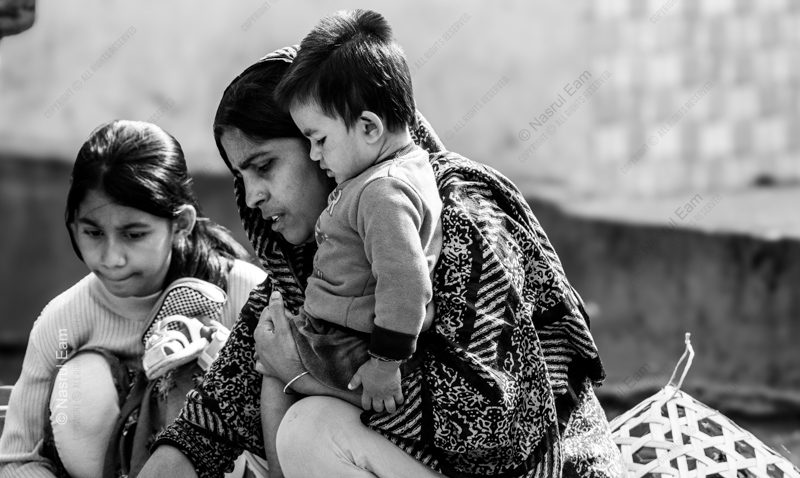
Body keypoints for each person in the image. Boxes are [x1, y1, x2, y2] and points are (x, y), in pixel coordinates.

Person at [143, 35, 623, 478]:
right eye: (241, 178)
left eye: (265, 166)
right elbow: (208, 422)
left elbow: (490, 423)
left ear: (332, 139)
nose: (252, 197)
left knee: (310, 430)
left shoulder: (460, 215)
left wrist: (305, 374)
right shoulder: (313, 272)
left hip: (552, 469)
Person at [0, 120, 267, 478]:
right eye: (93, 233)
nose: (112, 258)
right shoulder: (63, 322)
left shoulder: (246, 293)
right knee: (80, 381)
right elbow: (17, 459)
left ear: (181, 224)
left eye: (134, 234)